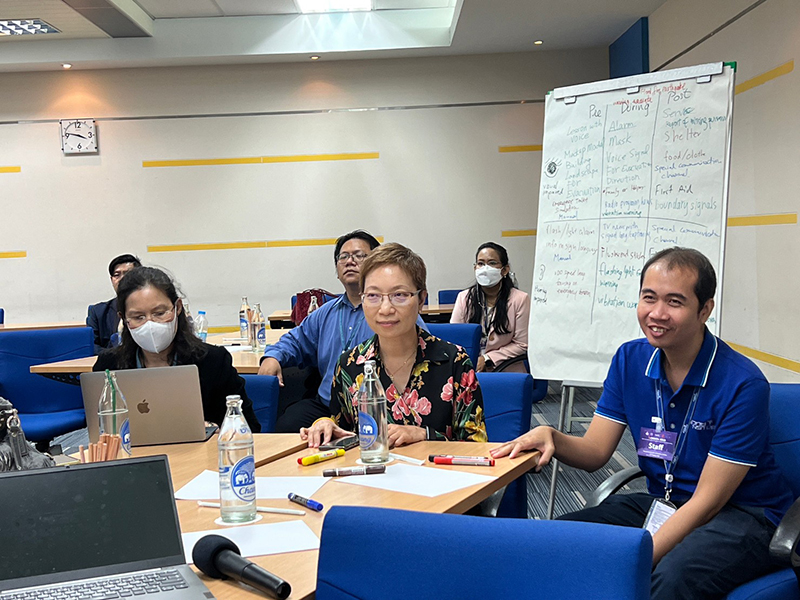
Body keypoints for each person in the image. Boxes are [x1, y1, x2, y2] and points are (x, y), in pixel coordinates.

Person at [490, 247, 794, 599]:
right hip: (666, 501)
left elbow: (708, 501)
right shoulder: (630, 359)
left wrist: (636, 555)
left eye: (675, 302)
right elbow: (594, 452)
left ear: (704, 309)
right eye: (649, 298)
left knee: (671, 576)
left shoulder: (742, 383)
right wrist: (553, 437)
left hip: (744, 515)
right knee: (559, 541)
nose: (657, 313)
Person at [302, 243, 486, 448]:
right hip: (370, 478)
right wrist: (326, 426)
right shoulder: (349, 365)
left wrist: (425, 435)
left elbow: (476, 446)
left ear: (421, 299)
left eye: (399, 295)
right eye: (373, 296)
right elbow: (345, 435)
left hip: (437, 478)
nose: (386, 308)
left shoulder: (454, 361)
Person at [259, 230, 426, 433]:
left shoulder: (394, 314)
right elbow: (295, 340)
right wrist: (272, 357)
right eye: (343, 257)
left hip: (380, 406)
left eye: (359, 256)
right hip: (328, 405)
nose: (349, 261)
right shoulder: (324, 313)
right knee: (288, 425)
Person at [94, 267, 260, 432]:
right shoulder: (108, 366)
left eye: (159, 313)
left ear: (177, 307)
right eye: (138, 317)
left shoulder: (213, 361)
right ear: (124, 319)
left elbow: (249, 428)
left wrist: (215, 431)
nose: (150, 324)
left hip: (201, 456)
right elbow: (99, 430)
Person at [450, 242, 530, 372]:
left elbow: (522, 344)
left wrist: (487, 358)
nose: (485, 268)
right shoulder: (464, 298)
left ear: (505, 270)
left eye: (492, 263)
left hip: (506, 371)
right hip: (468, 369)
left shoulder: (520, 299)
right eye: (480, 263)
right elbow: (455, 338)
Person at [87, 254, 141, 354]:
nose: (122, 279)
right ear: (112, 280)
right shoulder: (98, 312)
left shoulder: (150, 309)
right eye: (117, 275)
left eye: (128, 274)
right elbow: (91, 346)